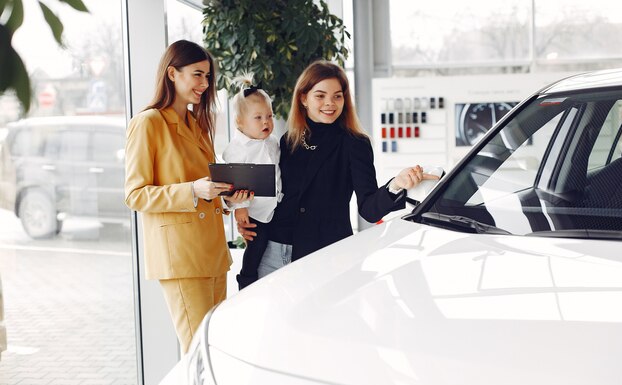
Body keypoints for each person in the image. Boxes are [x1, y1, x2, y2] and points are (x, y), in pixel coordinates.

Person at [238, 60, 439, 277]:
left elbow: (369, 209)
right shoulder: (289, 140)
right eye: (320, 95)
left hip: (322, 254)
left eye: (337, 96)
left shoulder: (355, 143)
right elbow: (273, 195)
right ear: (304, 98)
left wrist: (396, 185)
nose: (330, 103)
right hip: (271, 252)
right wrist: (247, 216)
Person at [124, 40, 250, 353]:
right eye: (197, 75)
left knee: (215, 348)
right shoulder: (148, 123)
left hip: (212, 254)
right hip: (181, 257)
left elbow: (207, 185)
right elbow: (135, 195)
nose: (205, 84)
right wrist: (192, 190)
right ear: (172, 74)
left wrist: (229, 196)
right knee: (199, 352)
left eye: (208, 77)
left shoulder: (196, 124)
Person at [222, 75, 282, 290]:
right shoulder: (238, 149)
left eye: (269, 116)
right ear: (240, 122)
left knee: (273, 245)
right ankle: (246, 281)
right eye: (258, 118)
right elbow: (234, 182)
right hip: (254, 210)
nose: (266, 122)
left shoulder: (274, 142)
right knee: (256, 246)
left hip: (275, 206)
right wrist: (240, 209)